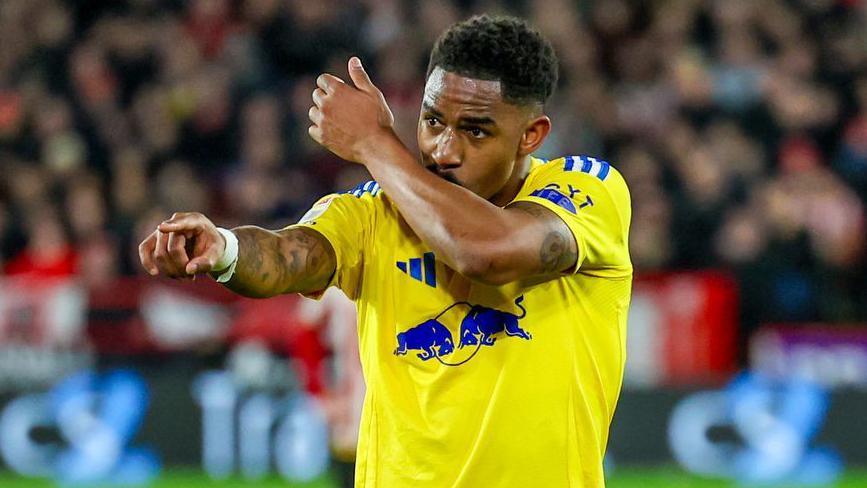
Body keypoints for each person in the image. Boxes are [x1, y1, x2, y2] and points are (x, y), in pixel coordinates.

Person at [139, 15, 632, 488]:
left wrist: (374, 144)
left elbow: (486, 252)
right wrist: (222, 248)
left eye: (475, 131)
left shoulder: (585, 191)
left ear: (531, 135)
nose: (443, 149)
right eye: (432, 120)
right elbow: (287, 256)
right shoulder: (374, 212)